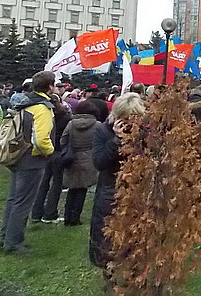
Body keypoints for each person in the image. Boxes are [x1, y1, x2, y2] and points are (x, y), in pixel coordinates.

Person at [0, 71, 56, 254]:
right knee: (23, 202)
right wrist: (51, 152)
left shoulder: (24, 102)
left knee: (13, 198)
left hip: (17, 154)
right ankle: (13, 243)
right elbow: (41, 139)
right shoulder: (43, 108)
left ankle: (5, 236)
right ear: (49, 87)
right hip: (32, 158)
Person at [90, 93, 145, 274]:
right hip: (110, 191)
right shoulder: (102, 130)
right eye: (126, 118)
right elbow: (99, 162)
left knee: (136, 239)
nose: (130, 122)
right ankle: (111, 276)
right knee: (109, 240)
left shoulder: (143, 132)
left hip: (138, 191)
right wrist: (116, 141)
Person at [31, 93, 72, 223]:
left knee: (44, 181)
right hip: (58, 151)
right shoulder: (65, 117)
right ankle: (50, 213)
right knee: (57, 183)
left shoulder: (45, 115)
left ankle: (36, 212)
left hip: (46, 150)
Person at [60, 100, 100, 225]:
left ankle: (67, 217)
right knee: (82, 189)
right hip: (88, 158)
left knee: (72, 189)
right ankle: (75, 218)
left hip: (71, 158)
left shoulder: (71, 124)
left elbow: (63, 140)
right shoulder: (97, 125)